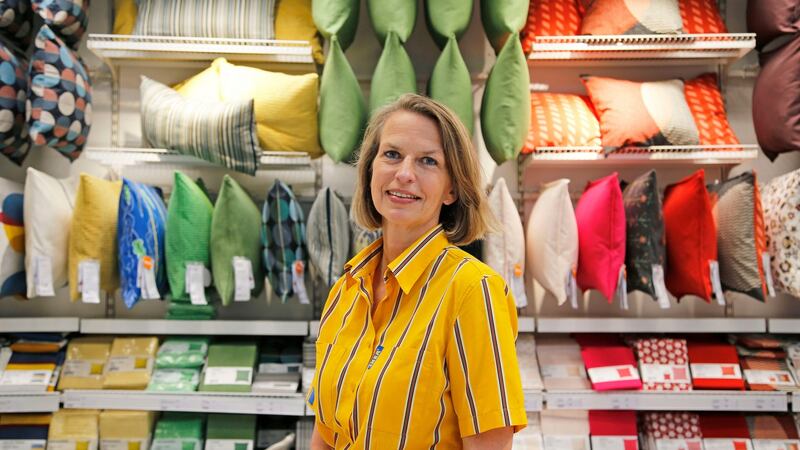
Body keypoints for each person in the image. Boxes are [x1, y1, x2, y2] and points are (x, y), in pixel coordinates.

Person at [308, 94, 526, 449]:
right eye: (392, 154)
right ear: (370, 170)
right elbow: (326, 431)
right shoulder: (346, 290)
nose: (404, 174)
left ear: (451, 189)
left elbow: (489, 443)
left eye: (428, 161)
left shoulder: (473, 291)